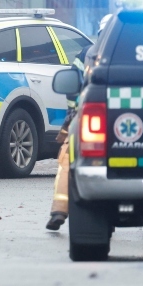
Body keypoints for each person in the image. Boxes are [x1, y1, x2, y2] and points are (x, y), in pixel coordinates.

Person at [46, 13, 111, 231]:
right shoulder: (136, 51)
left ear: (100, 32)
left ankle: (59, 210)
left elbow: (72, 87)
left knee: (68, 161)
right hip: (129, 124)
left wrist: (73, 114)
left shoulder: (86, 54)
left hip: (88, 120)